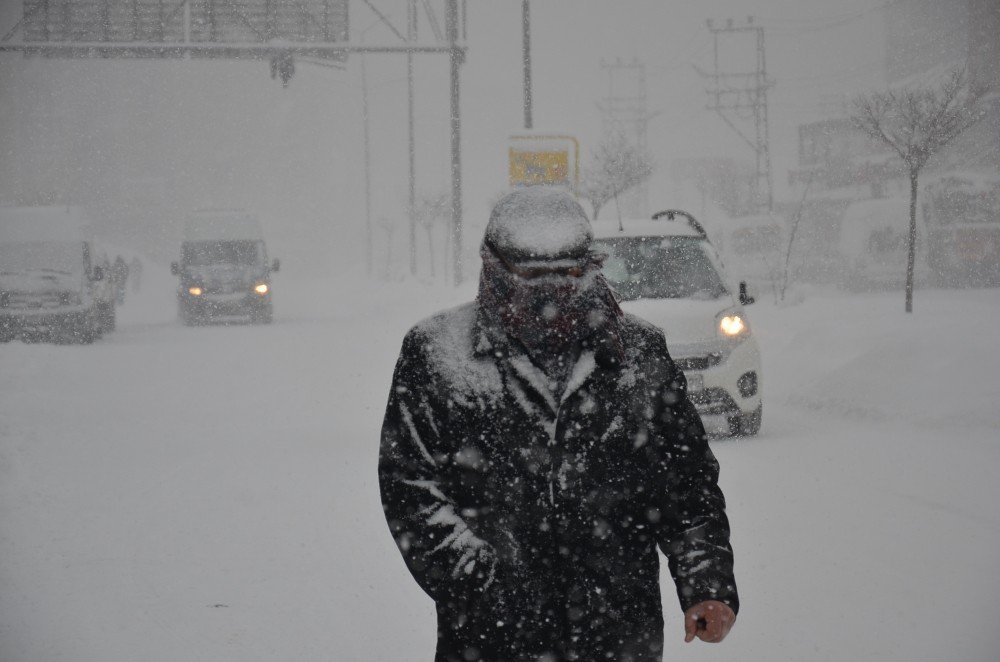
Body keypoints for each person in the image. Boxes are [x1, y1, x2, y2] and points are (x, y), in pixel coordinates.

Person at [379, 187, 738, 662]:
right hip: (489, 638)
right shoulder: (438, 354)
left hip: (618, 630)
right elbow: (410, 484)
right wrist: (477, 579)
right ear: (494, 267)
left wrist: (705, 581)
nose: (550, 289)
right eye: (530, 273)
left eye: (569, 272)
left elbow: (685, 480)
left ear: (590, 266)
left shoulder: (639, 352)